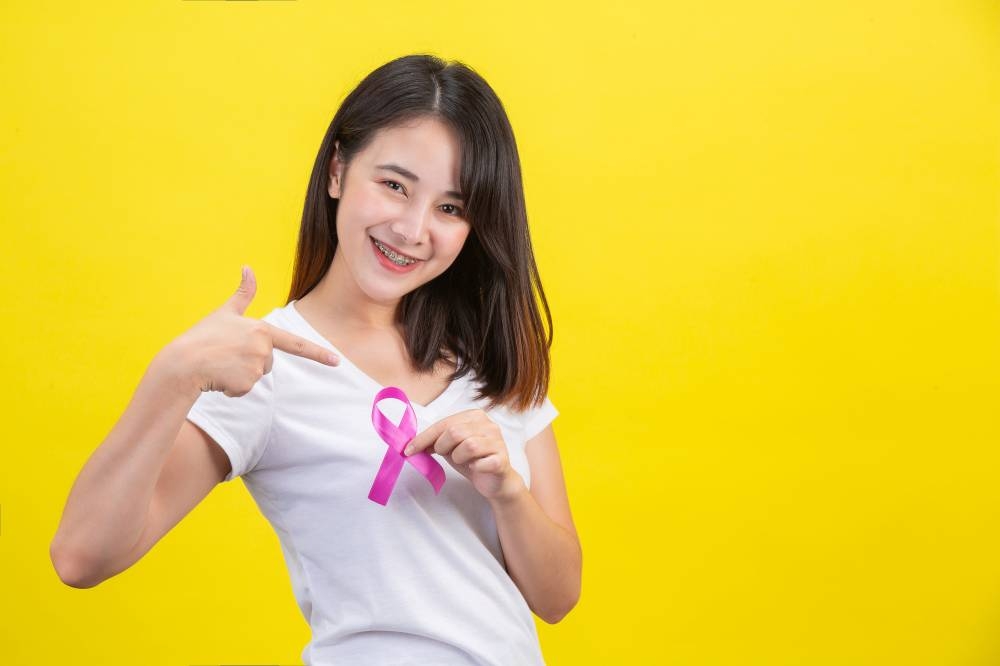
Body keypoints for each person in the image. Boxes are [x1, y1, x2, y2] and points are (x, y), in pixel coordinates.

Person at [49, 53, 581, 665]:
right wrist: (172, 376)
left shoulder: (494, 358)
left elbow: (558, 596)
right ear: (336, 171)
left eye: (450, 208)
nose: (412, 229)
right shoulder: (266, 365)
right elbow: (81, 556)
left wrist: (506, 492)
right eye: (394, 185)